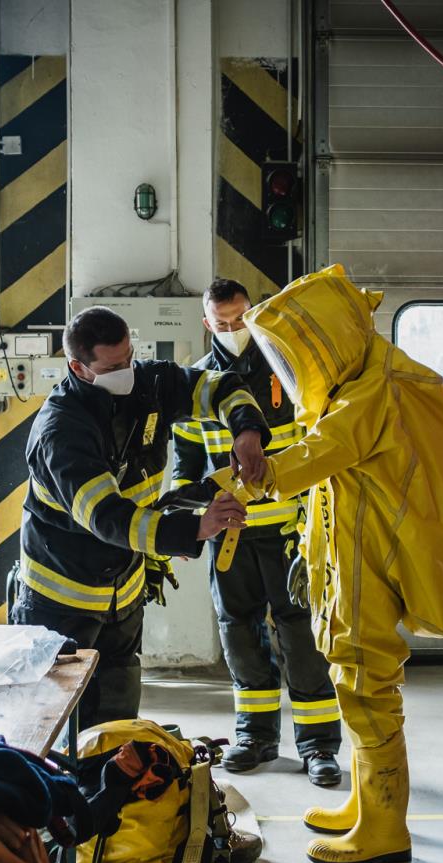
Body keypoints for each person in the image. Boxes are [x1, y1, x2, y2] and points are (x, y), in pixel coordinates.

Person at [239, 264, 443, 863]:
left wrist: (254, 476)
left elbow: (323, 452)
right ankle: (366, 803)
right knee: (352, 676)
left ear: (328, 337)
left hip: (369, 559)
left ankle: (384, 826)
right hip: (353, 555)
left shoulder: (376, 390)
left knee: (365, 680)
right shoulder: (365, 376)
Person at [13, 306, 270, 728]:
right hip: (60, 605)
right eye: (112, 368)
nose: (126, 373)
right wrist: (193, 528)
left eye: (129, 359)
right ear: (78, 367)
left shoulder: (151, 384)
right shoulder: (61, 432)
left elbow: (220, 386)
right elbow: (107, 517)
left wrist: (247, 431)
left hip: (124, 596)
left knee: (117, 725)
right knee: (56, 727)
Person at [172, 279, 343, 787]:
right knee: (239, 635)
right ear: (207, 324)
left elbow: (318, 449)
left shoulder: (288, 373)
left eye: (240, 319)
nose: (233, 330)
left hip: (292, 533)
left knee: (302, 636)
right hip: (230, 537)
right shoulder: (195, 386)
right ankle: (255, 737)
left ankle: (318, 745)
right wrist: (187, 522)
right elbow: (184, 466)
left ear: (254, 314)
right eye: (222, 323)